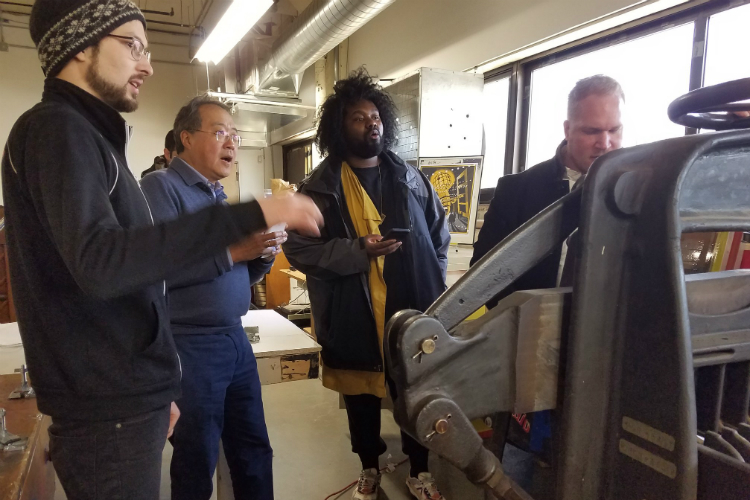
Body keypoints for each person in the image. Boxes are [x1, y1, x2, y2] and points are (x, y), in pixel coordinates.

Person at [0, 1, 321, 499]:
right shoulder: (58, 128)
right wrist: (254, 213)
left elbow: (136, 273)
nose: (147, 64)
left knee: (248, 450)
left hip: (129, 392)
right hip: (107, 402)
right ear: (80, 46)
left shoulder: (89, 138)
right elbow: (105, 264)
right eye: (132, 46)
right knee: (195, 465)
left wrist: (156, 379)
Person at [283, 68, 451, 500]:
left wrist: (431, 272)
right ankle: (369, 467)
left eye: (375, 115)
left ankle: (419, 469)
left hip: (411, 309)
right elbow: (301, 251)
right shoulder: (319, 188)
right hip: (353, 311)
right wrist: (358, 251)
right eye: (358, 117)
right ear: (339, 127)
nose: (371, 122)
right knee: (360, 401)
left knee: (416, 395)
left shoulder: (411, 179)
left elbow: (439, 234)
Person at [470, 74, 624, 470]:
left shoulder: (638, 190)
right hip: (529, 356)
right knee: (521, 464)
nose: (604, 143)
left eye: (614, 130)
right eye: (592, 131)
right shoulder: (518, 190)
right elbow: (483, 275)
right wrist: (520, 331)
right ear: (568, 128)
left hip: (604, 356)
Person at [140, 95, 282, 500]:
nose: (232, 144)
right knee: (197, 454)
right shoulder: (160, 189)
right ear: (185, 138)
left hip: (234, 339)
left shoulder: (218, 195)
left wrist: (264, 254)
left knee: (253, 447)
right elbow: (161, 271)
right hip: (190, 344)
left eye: (235, 135)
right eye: (220, 133)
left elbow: (238, 272)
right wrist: (238, 251)